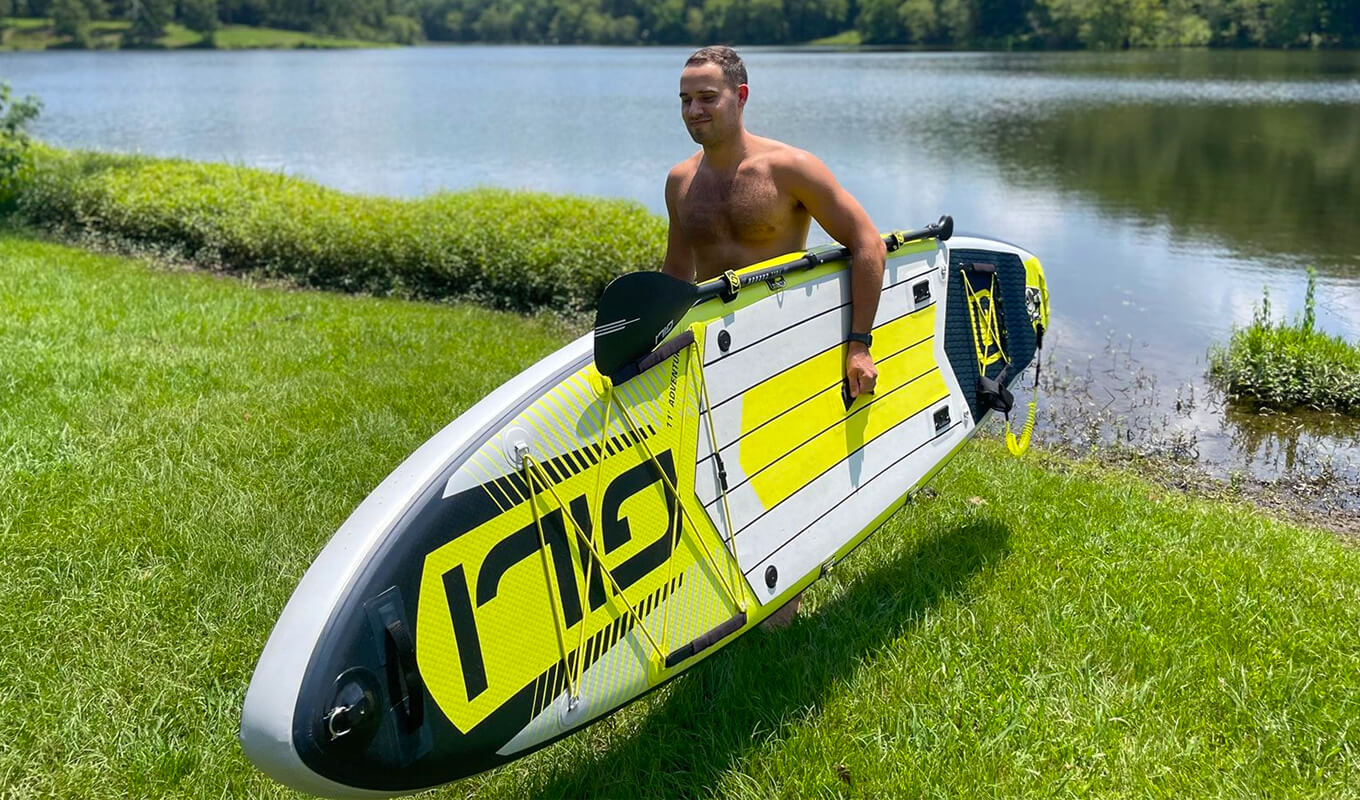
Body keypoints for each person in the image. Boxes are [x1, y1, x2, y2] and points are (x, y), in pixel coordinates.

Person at [660, 46, 886, 628]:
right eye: (685, 99)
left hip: (785, 345)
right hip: (715, 353)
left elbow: (867, 243)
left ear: (739, 97)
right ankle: (714, 595)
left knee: (777, 474)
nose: (693, 110)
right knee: (709, 476)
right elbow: (676, 274)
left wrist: (858, 342)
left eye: (706, 97)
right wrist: (655, 345)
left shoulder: (790, 169)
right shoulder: (680, 182)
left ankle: (782, 611)